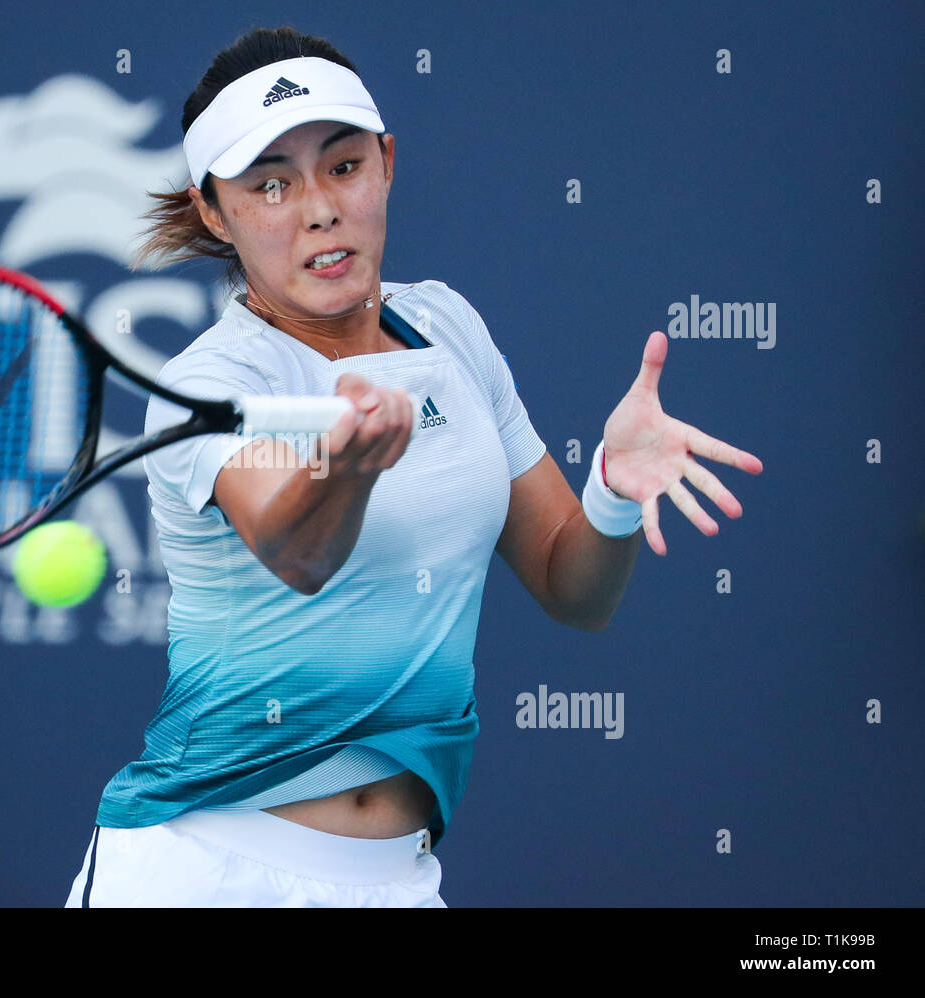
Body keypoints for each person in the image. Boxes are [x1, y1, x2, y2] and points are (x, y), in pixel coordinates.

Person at [64, 26, 762, 908]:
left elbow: (571, 588)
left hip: (394, 881)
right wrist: (348, 468)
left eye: (343, 166)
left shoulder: (448, 328)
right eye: (270, 184)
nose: (318, 208)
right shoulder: (211, 381)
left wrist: (612, 494)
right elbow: (298, 553)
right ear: (214, 211)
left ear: (387, 163)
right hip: (201, 870)